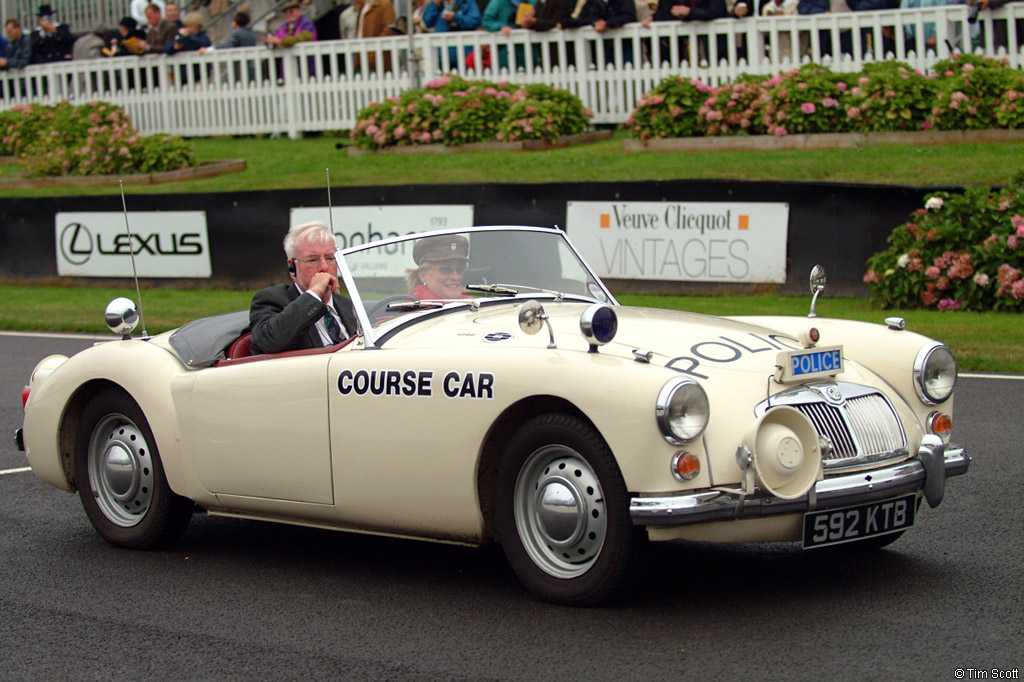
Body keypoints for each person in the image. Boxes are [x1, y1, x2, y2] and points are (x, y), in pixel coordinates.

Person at [249, 221, 358, 355]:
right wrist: (314, 294)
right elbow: (271, 342)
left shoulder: (349, 306)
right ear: (292, 267)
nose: (324, 267)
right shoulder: (271, 300)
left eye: (330, 258)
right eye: (313, 260)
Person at [406, 235, 471, 299]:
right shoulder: (412, 308)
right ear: (423, 275)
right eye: (445, 270)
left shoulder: (474, 307)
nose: (456, 277)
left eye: (460, 270)